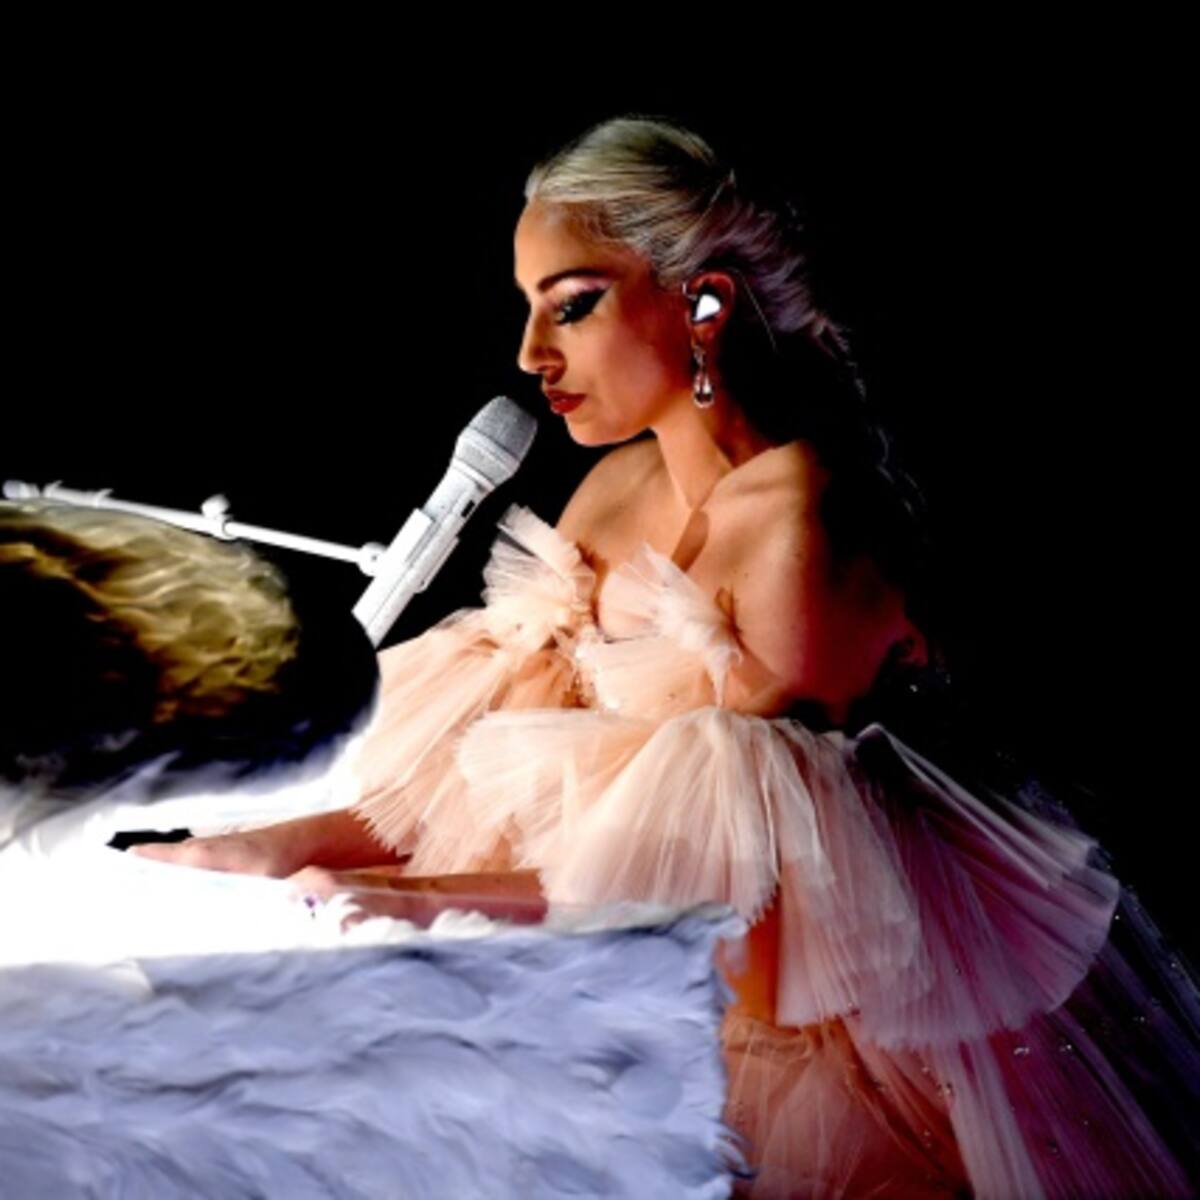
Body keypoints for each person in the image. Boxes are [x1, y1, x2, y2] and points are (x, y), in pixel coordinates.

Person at [133, 115, 1200, 1197]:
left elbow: (719, 911)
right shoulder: (612, 492)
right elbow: (463, 800)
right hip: (606, 990)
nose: (530, 354)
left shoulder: (802, 533)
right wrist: (264, 847)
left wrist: (405, 901)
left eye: (572, 305)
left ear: (704, 305)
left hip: (810, 1059)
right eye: (527, 305)